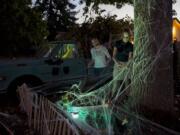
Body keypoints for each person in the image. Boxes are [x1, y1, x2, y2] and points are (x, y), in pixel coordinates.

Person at [111, 30, 133, 99]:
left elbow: (130, 57)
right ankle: (112, 96)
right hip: (118, 63)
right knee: (116, 81)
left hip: (126, 64)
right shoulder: (117, 43)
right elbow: (113, 56)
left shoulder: (130, 45)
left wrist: (127, 65)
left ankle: (127, 97)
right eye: (124, 37)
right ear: (122, 36)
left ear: (129, 37)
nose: (126, 38)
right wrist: (117, 63)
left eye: (127, 37)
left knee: (127, 81)